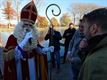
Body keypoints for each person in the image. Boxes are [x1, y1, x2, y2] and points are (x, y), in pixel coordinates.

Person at [3, 1, 54, 80]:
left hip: (32, 64)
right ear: (20, 24)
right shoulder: (12, 38)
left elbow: (37, 49)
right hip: (19, 66)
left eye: (30, 25)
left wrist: (46, 49)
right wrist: (23, 42)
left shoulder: (33, 37)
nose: (27, 27)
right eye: (25, 24)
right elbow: (8, 57)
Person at [78, 8, 107, 80]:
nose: (83, 32)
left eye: (85, 27)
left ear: (93, 28)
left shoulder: (97, 62)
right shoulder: (99, 46)